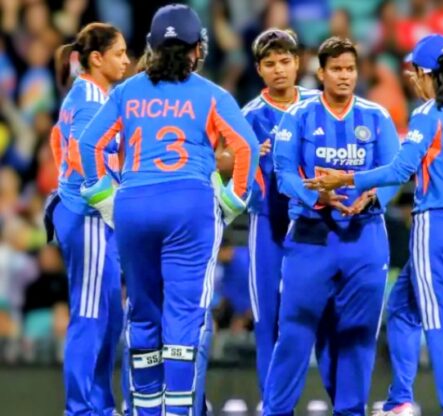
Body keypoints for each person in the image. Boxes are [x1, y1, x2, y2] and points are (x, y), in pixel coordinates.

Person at [77, 4, 260, 415]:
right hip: (190, 207)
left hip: (134, 205)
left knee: (143, 314)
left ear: (152, 47)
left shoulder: (126, 91)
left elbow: (87, 144)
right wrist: (233, 201)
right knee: (184, 317)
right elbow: (247, 147)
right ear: (198, 49)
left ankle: (146, 410)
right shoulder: (212, 94)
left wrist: (102, 196)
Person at [305, 34, 443, 416]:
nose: (411, 79)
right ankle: (400, 400)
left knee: (437, 321)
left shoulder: (427, 113)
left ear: (424, 73)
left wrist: (347, 179)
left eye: (414, 72)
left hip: (434, 223)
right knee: (402, 307)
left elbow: (401, 169)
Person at [263, 36, 400, 416]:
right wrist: (316, 197)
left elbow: (395, 172)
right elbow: (283, 174)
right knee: (294, 332)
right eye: (336, 69)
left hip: (364, 235)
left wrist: (372, 197)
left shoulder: (377, 116)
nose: (344, 76)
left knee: (358, 335)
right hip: (311, 236)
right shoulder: (298, 116)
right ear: (321, 73)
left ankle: (351, 411)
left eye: (350, 69)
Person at [47, 22, 130, 416]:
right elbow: (81, 153)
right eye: (119, 53)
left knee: (109, 316)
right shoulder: (92, 100)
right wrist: (107, 199)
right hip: (90, 217)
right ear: (97, 58)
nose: (127, 61)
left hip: (85, 214)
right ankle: (80, 410)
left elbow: (57, 140)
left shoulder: (85, 93)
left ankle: (100, 405)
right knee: (90, 316)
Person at [240, 28, 320, 404]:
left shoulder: (319, 105)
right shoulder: (248, 117)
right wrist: (249, 155)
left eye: (285, 61)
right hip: (266, 225)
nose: (279, 70)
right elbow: (231, 170)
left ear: (298, 62)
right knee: (267, 318)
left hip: (314, 222)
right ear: (259, 69)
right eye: (270, 63)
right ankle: (273, 404)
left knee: (315, 316)